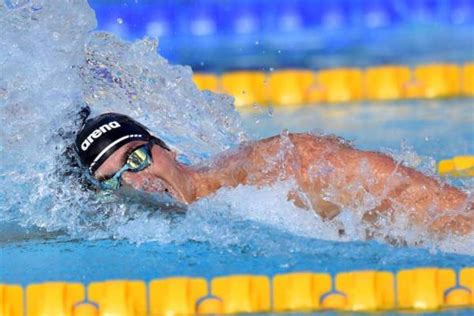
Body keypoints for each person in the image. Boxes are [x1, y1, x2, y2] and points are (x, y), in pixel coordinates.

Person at [75, 112, 473, 236]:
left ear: (166, 149)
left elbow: (414, 195)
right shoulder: (148, 224)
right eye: (116, 179)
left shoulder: (270, 168)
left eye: (137, 158)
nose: (137, 180)